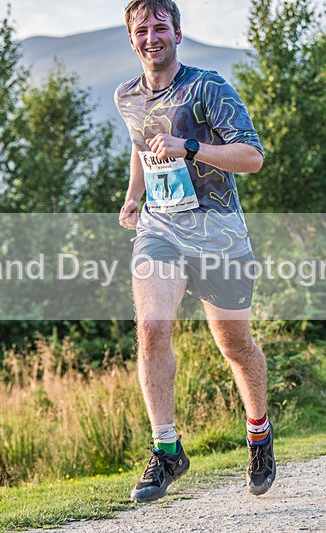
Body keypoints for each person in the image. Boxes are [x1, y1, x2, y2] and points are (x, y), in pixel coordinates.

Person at [115, 0, 274, 503]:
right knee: (151, 328)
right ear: (132, 38)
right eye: (142, 29)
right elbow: (142, 147)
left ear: (178, 33)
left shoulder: (207, 87)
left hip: (220, 236)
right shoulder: (127, 96)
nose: (151, 36)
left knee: (235, 347)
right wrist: (133, 195)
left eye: (160, 26)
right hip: (161, 230)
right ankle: (166, 450)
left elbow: (252, 157)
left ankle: (259, 433)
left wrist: (190, 148)